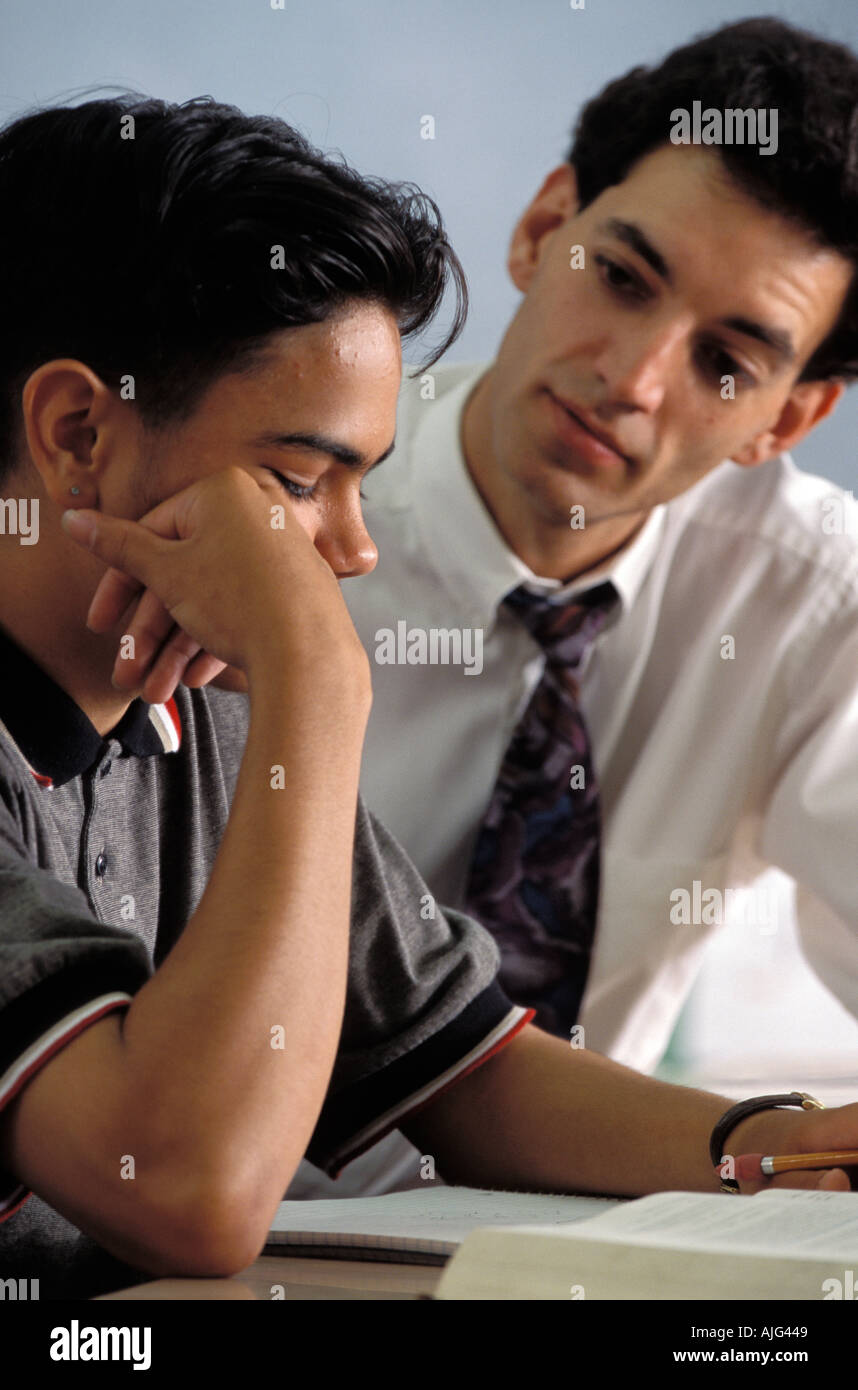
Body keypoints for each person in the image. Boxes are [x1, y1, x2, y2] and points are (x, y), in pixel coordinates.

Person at [0, 92, 855, 1303]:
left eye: (363, 486)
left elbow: (462, 1068)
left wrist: (770, 1150)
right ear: (79, 431)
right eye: (301, 482)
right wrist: (318, 680)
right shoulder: (273, 678)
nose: (351, 552)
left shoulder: (200, 710)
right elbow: (191, 1189)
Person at [335, 17, 858, 1194]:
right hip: (201, 1240)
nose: (630, 378)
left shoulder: (812, 603)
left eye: (725, 363)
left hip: (574, 1241)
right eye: (619, 277)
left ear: (784, 421)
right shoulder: (287, 499)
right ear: (540, 228)